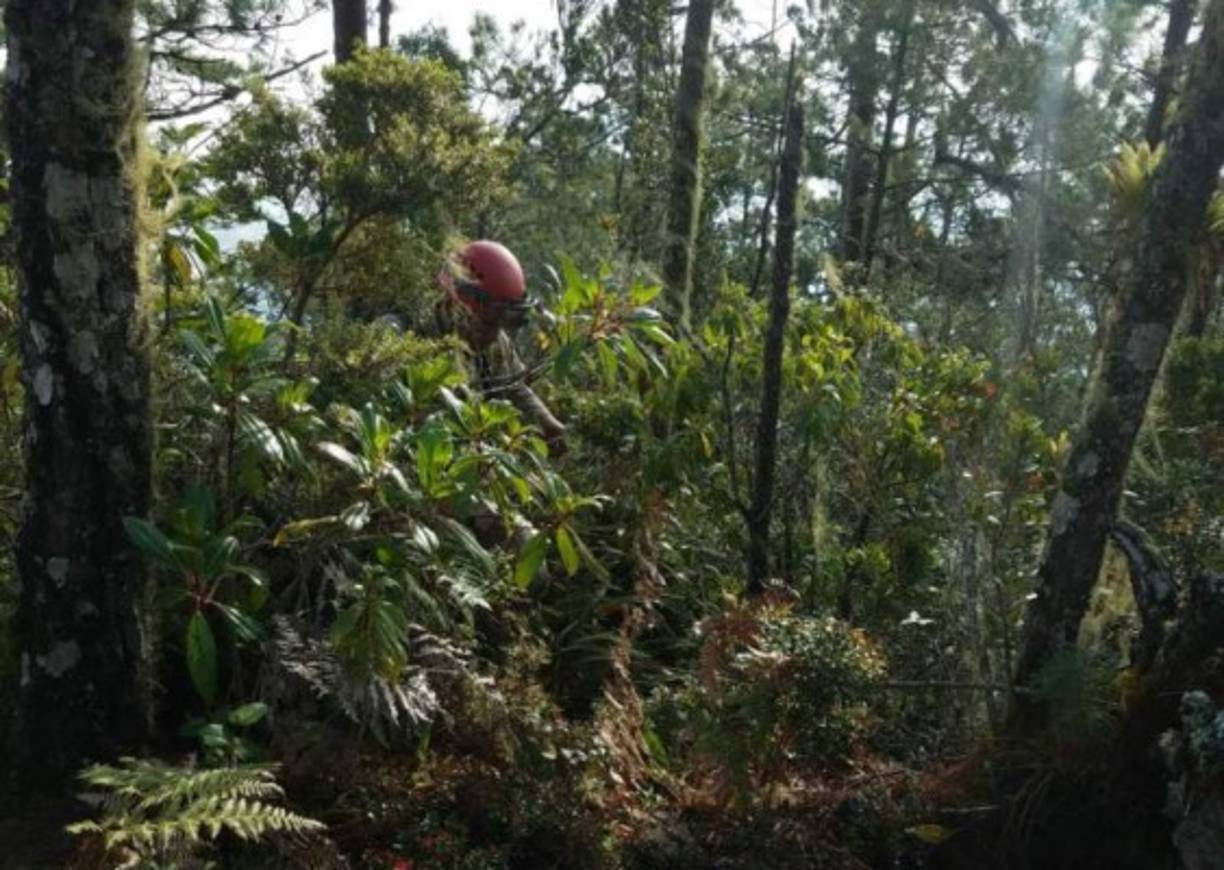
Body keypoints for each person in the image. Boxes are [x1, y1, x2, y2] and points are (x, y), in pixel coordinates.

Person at [435, 240, 568, 457]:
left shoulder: (493, 339)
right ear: (462, 303)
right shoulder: (411, 336)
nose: (496, 333)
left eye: (503, 320)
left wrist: (546, 422)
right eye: (491, 319)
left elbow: (513, 384)